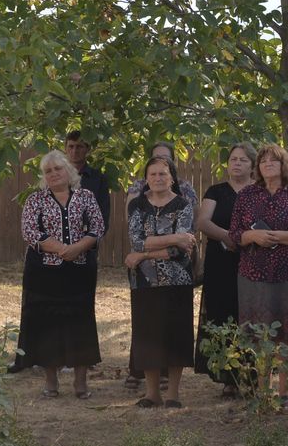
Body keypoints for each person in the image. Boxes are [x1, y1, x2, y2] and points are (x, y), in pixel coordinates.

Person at [231, 143, 288, 408]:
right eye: (263, 161)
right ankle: (262, 391)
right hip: (254, 274)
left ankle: (285, 392)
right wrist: (253, 236)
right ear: (258, 167)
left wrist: (277, 237)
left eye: (274, 160)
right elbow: (234, 234)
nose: (268, 164)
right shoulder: (246, 195)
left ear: (284, 165)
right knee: (259, 333)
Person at [18, 149, 106, 397]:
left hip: (79, 274)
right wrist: (60, 249)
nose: (54, 174)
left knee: (81, 325)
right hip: (44, 274)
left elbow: (97, 227)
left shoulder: (86, 196)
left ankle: (81, 384)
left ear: (69, 171)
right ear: (43, 177)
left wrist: (76, 248)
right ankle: (51, 383)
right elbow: (29, 231)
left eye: (58, 169)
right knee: (48, 326)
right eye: (48, 171)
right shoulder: (36, 200)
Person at [125, 152, 198, 409]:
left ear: (171, 178)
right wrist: (173, 238)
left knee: (175, 333)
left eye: (163, 174)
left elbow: (183, 248)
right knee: (148, 334)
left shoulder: (183, 205)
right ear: (146, 178)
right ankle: (152, 393)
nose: (158, 178)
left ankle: (173, 395)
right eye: (153, 174)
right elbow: (135, 240)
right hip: (144, 281)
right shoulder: (136, 205)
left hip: (178, 279)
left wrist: (143, 253)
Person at [195, 143, 256, 393]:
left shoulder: (259, 191)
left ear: (253, 165)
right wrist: (227, 236)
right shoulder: (216, 191)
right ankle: (227, 379)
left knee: (249, 315)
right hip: (220, 261)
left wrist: (244, 240)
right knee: (222, 314)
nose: (237, 163)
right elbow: (202, 221)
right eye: (233, 159)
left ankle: (251, 376)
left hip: (252, 260)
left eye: (242, 159)